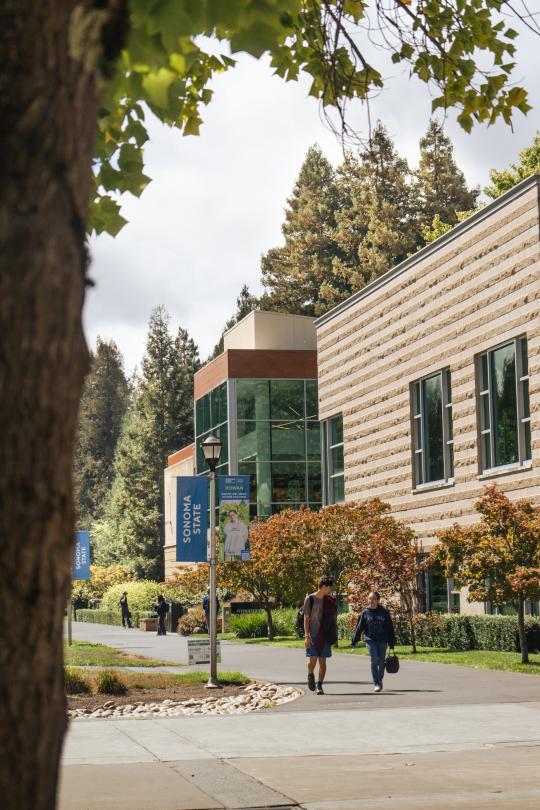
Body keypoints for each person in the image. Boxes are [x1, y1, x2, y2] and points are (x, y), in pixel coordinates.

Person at [352, 591, 396, 693]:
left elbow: (390, 628)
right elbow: (359, 627)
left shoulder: (384, 612)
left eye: (373, 599)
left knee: (381, 662)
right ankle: (376, 683)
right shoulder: (365, 612)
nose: (371, 601)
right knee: (374, 660)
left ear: (378, 600)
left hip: (383, 640)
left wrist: (392, 643)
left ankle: (379, 679)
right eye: (369, 598)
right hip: (370, 640)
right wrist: (355, 640)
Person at [303, 575, 337, 695]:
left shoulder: (329, 600)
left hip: (325, 635)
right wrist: (307, 636)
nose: (330, 590)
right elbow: (306, 619)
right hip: (313, 634)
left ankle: (320, 686)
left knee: (322, 661)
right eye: (329, 588)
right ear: (323, 587)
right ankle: (310, 674)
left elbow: (332, 618)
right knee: (313, 660)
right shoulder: (310, 599)